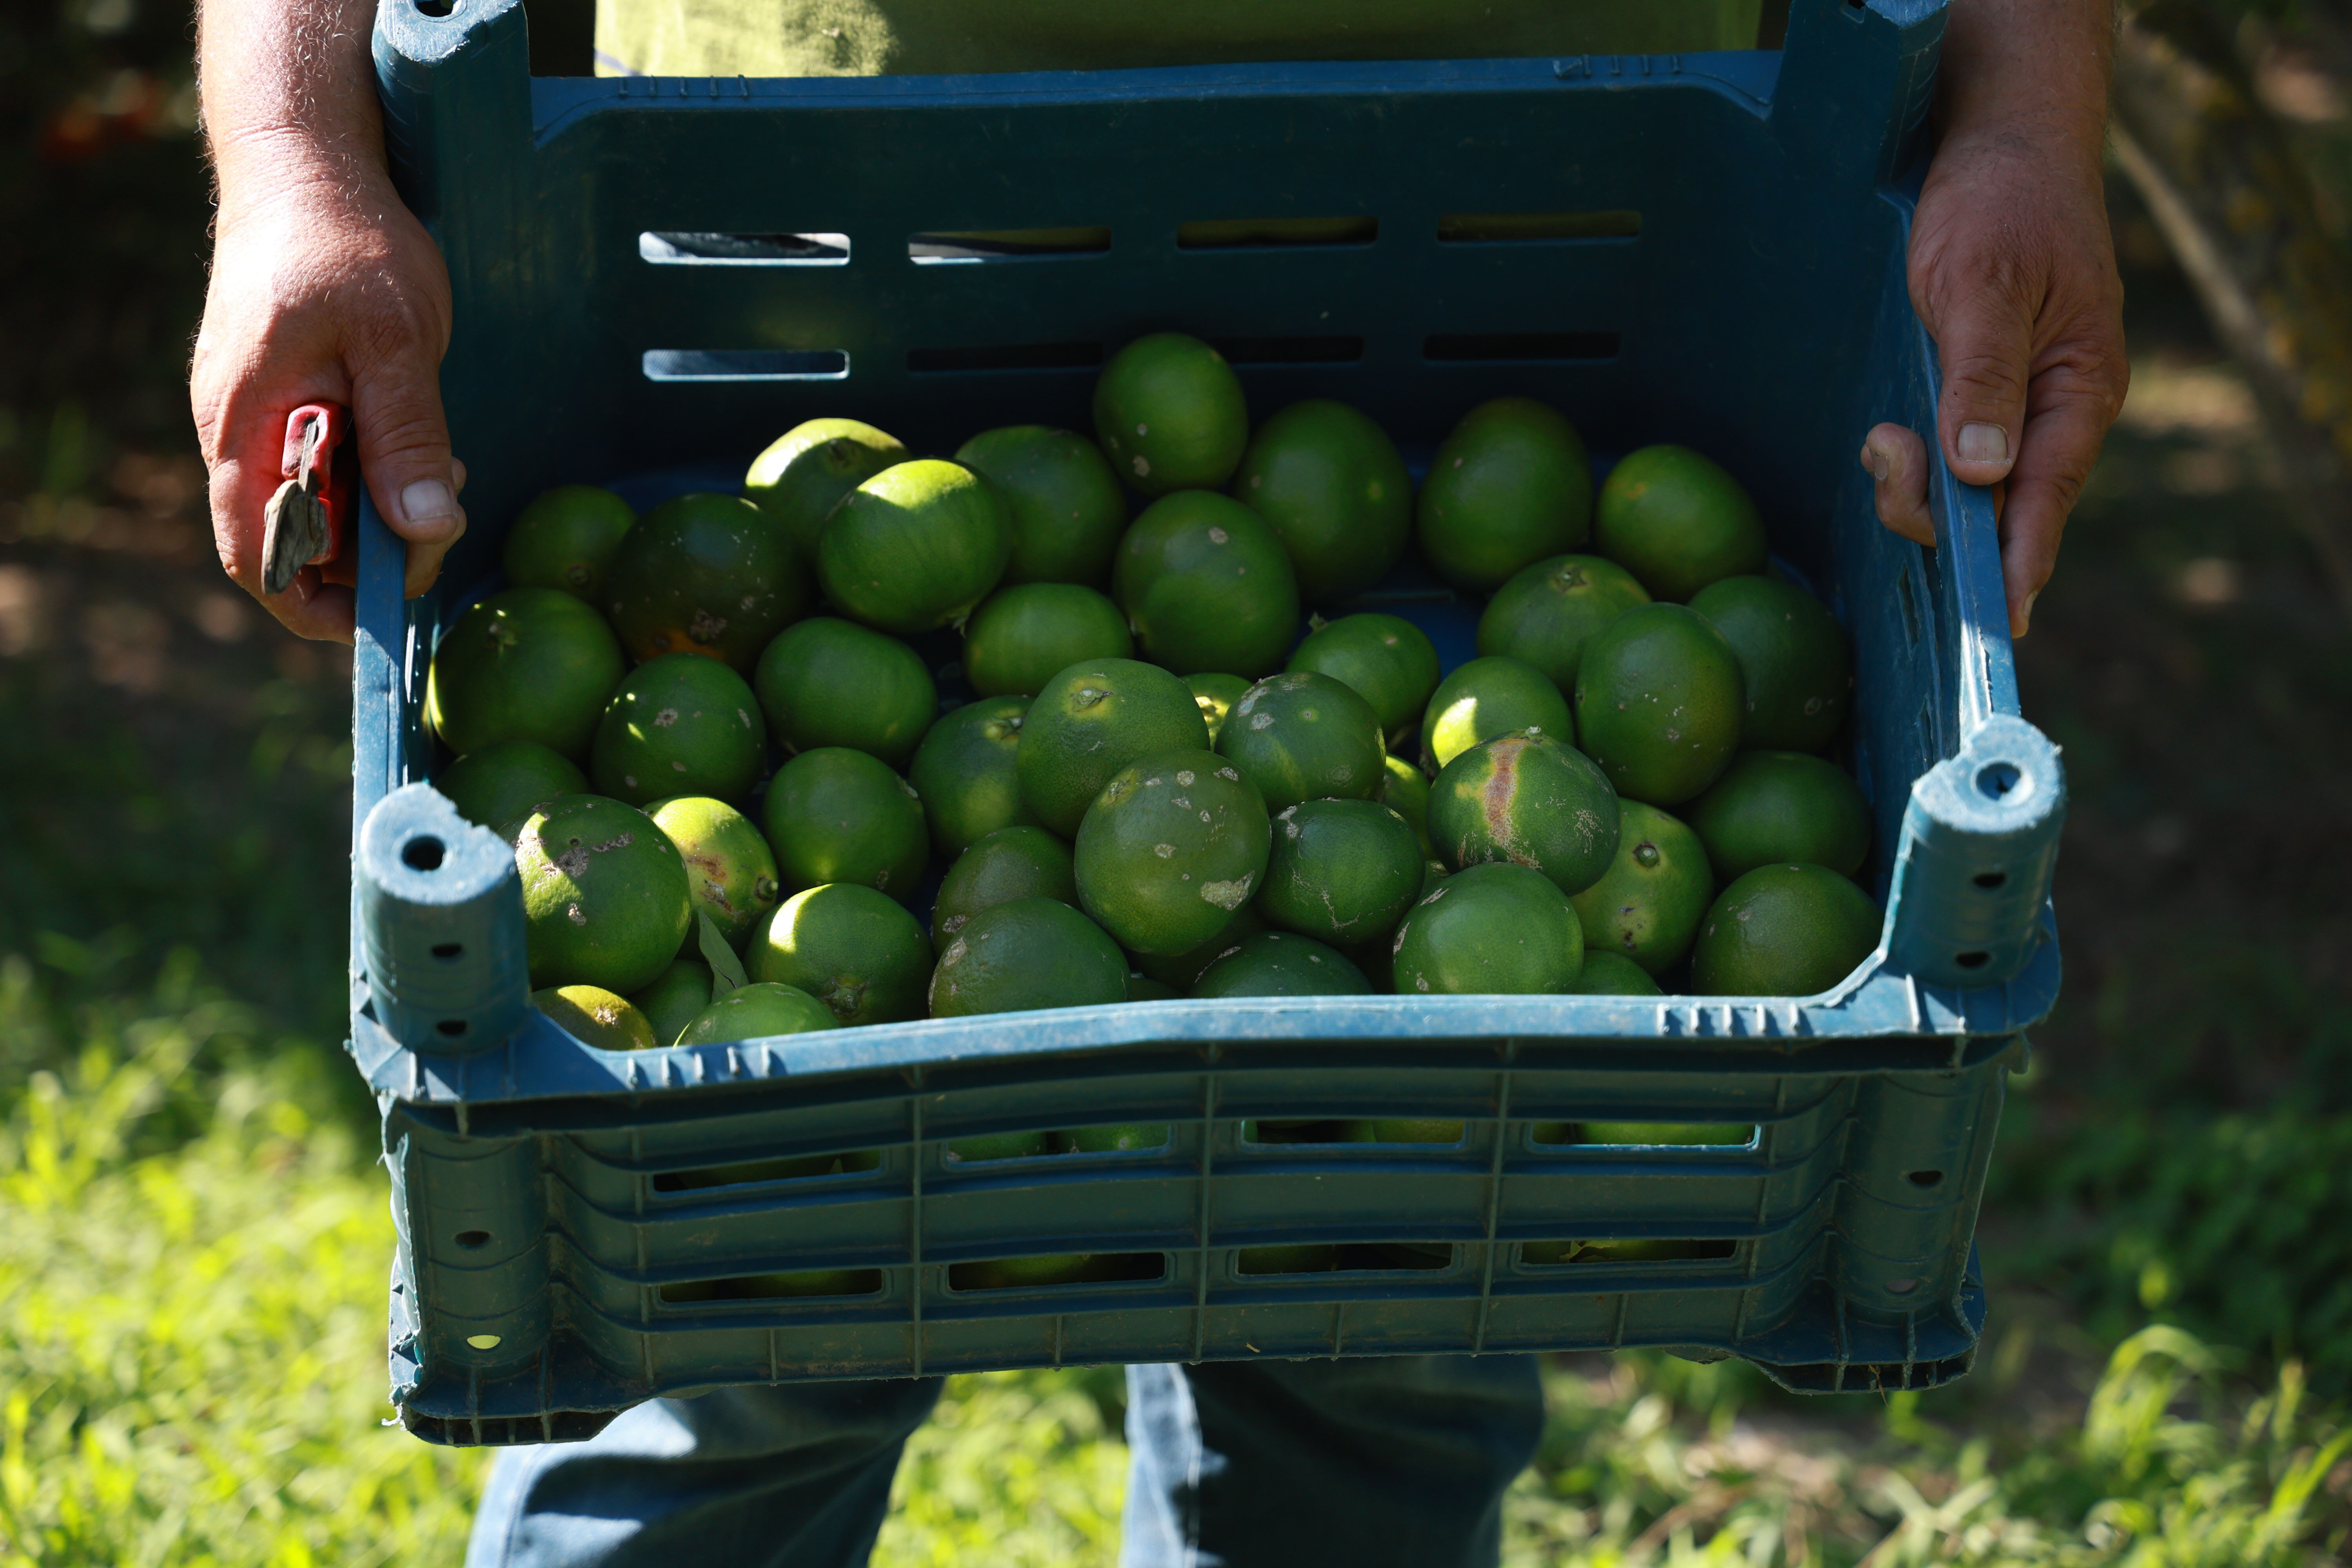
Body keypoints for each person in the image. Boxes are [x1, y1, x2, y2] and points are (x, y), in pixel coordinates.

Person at [189, 2, 2125, 1563]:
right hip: (809, 205)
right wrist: (293, 144)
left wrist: (2028, 111)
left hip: (1549, 196)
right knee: (728, 1312)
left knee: (1389, 1325)